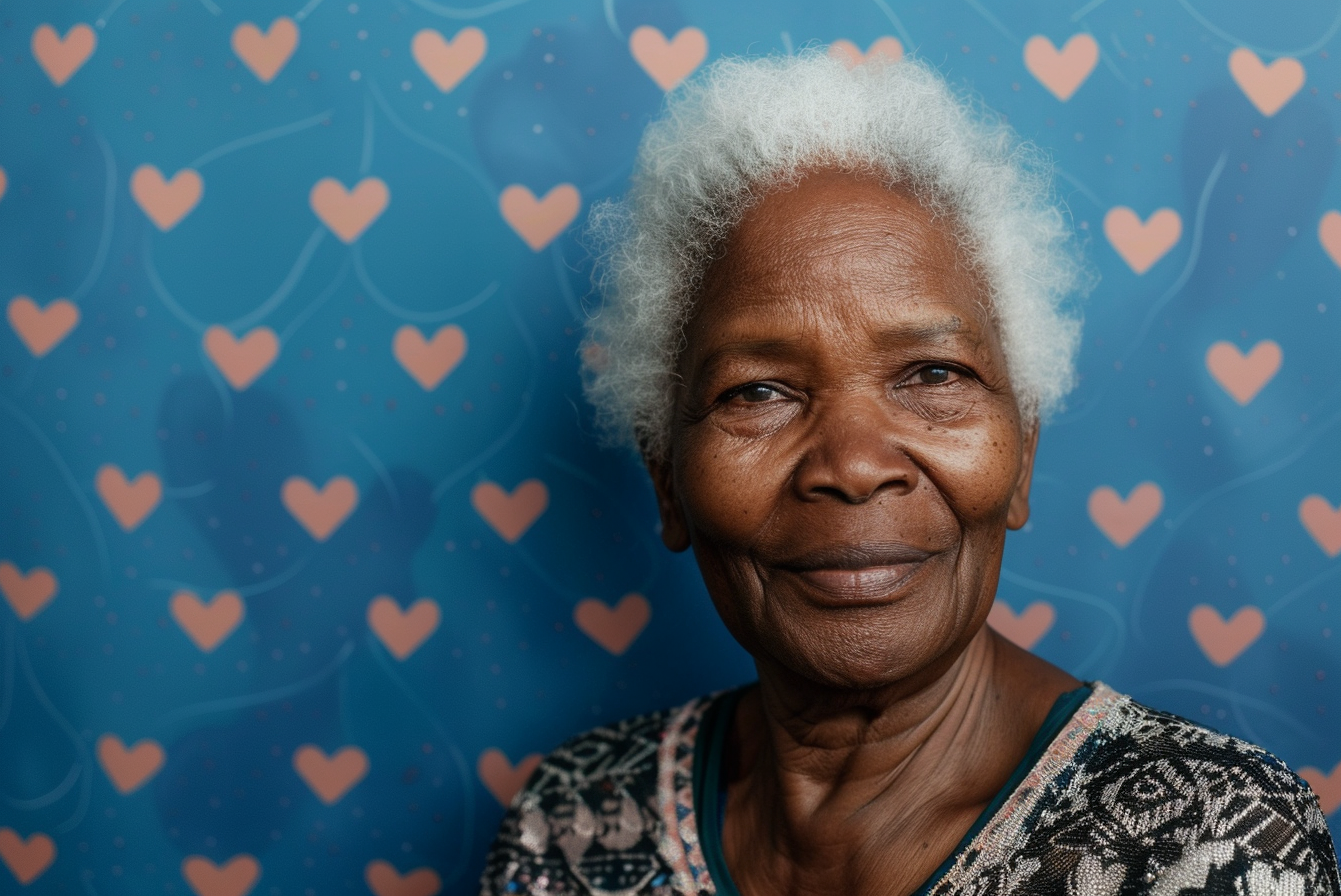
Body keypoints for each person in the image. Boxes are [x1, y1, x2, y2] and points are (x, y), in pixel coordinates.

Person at [478, 51, 1341, 896]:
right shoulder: (572, 827)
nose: (854, 466)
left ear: (1023, 456)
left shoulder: (1210, 844)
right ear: (666, 479)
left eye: (934, 375)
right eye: (759, 391)